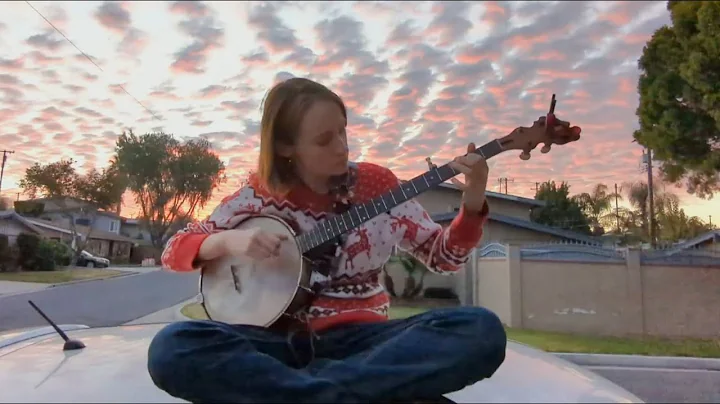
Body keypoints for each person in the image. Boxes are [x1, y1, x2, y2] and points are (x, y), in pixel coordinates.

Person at [147, 77, 577, 403]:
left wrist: (474, 197)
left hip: (365, 344)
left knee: (479, 330)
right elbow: (175, 248)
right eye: (324, 139)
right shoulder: (260, 194)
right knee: (173, 347)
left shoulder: (378, 186)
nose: (342, 148)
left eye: (343, 131)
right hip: (273, 345)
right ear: (284, 147)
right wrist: (228, 244)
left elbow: (444, 258)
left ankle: (310, 394)